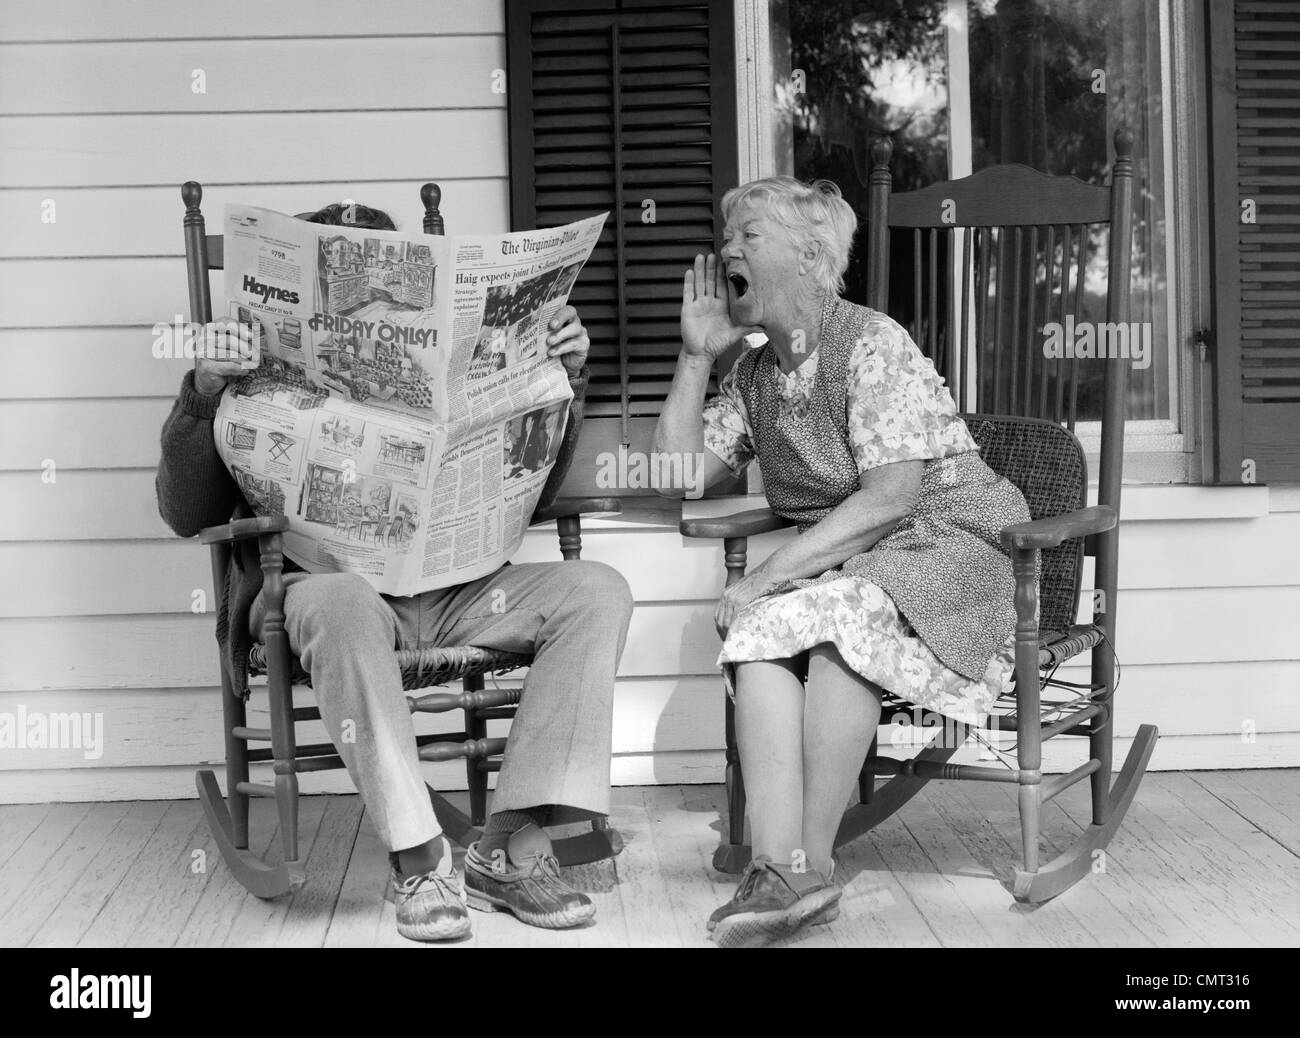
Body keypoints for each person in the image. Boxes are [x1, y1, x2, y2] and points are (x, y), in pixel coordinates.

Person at [157, 202, 633, 943]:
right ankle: (421, 857)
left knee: (598, 591)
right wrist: (203, 392)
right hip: (323, 591)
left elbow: (528, 485)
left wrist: (561, 383)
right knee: (345, 601)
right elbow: (186, 513)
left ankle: (508, 846)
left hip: (452, 590)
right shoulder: (241, 368)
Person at [654, 176, 1031, 948]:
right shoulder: (755, 374)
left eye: (748, 234)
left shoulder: (871, 342)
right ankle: (773, 869)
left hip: (949, 536)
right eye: (729, 234)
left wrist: (769, 573)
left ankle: (809, 866)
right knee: (760, 629)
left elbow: (893, 497)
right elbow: (676, 477)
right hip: (861, 563)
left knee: (832, 619)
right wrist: (695, 358)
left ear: (811, 255)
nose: (727, 248)